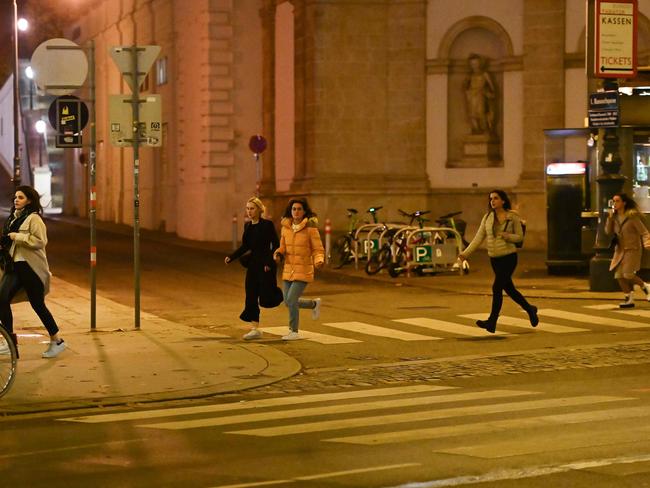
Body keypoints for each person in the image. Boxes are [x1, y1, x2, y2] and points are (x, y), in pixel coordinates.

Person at [458, 189, 538, 333]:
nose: (492, 201)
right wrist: (465, 254)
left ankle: (492, 321)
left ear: (503, 200)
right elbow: (478, 238)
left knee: (496, 287)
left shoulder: (512, 217)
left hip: (509, 257)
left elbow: (519, 237)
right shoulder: (487, 217)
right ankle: (530, 309)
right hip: (494, 259)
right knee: (510, 289)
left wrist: (508, 236)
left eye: (495, 198)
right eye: (491, 199)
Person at [0, 186, 65, 358]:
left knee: (38, 305)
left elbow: (40, 241)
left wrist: (17, 237)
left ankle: (57, 340)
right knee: (2, 298)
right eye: (15, 197)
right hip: (15, 267)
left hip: (30, 268)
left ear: (29, 200)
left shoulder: (34, 219)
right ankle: (9, 342)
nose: (16, 200)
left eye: (20, 197)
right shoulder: (14, 219)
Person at [225, 197, 280, 340]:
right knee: (251, 295)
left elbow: (275, 244)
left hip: (266, 265)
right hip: (253, 265)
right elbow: (245, 246)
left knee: (267, 296)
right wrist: (232, 257)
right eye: (247, 208)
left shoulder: (267, 225)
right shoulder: (248, 226)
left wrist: (270, 262)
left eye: (252, 208)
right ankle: (255, 329)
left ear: (259, 210)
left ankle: (292, 299)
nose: (249, 211)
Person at [273, 198, 325, 340]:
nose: (296, 212)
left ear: (304, 211)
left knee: (291, 299)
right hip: (289, 269)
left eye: (299, 209)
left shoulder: (310, 229)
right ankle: (313, 304)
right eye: (294, 209)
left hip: (303, 269)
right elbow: (283, 246)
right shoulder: (286, 228)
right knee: (287, 301)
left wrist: (319, 260)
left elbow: (318, 249)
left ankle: (293, 331)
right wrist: (278, 253)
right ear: (290, 211)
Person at [605, 192, 650, 308]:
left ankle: (646, 286)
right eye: (613, 201)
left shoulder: (632, 216)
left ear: (624, 203)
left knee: (628, 274)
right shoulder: (614, 217)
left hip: (632, 249)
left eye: (617, 201)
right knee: (619, 276)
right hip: (619, 250)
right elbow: (607, 232)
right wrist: (609, 218)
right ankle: (629, 299)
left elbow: (644, 232)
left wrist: (647, 243)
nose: (615, 203)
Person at [463, 53, 496, 135]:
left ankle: (485, 129)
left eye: (476, 63)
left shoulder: (485, 74)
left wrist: (489, 93)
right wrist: (467, 90)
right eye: (472, 64)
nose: (474, 65)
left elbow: (492, 87)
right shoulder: (470, 75)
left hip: (481, 95)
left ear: (480, 63)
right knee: (472, 114)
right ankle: (476, 130)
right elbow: (465, 86)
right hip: (472, 96)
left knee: (481, 113)